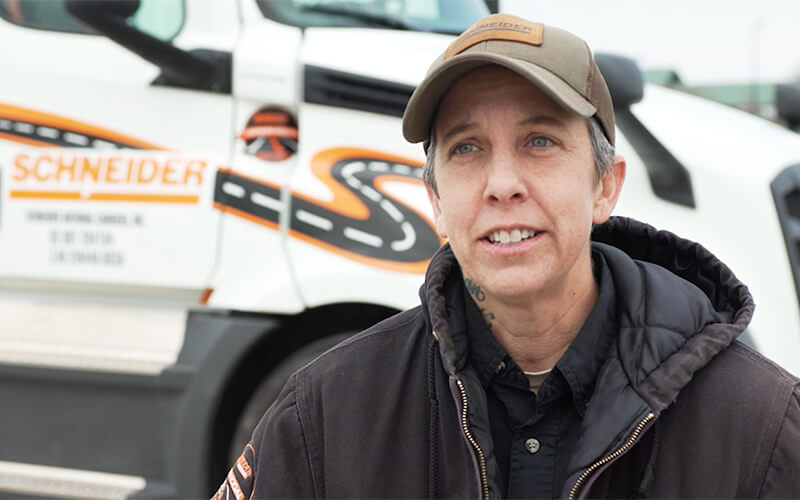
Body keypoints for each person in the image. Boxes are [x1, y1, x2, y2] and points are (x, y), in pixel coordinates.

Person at [213, 13, 800, 499]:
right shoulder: (324, 416)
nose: (501, 183)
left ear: (606, 186)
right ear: (436, 201)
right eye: (467, 148)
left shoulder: (761, 425)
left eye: (539, 141)